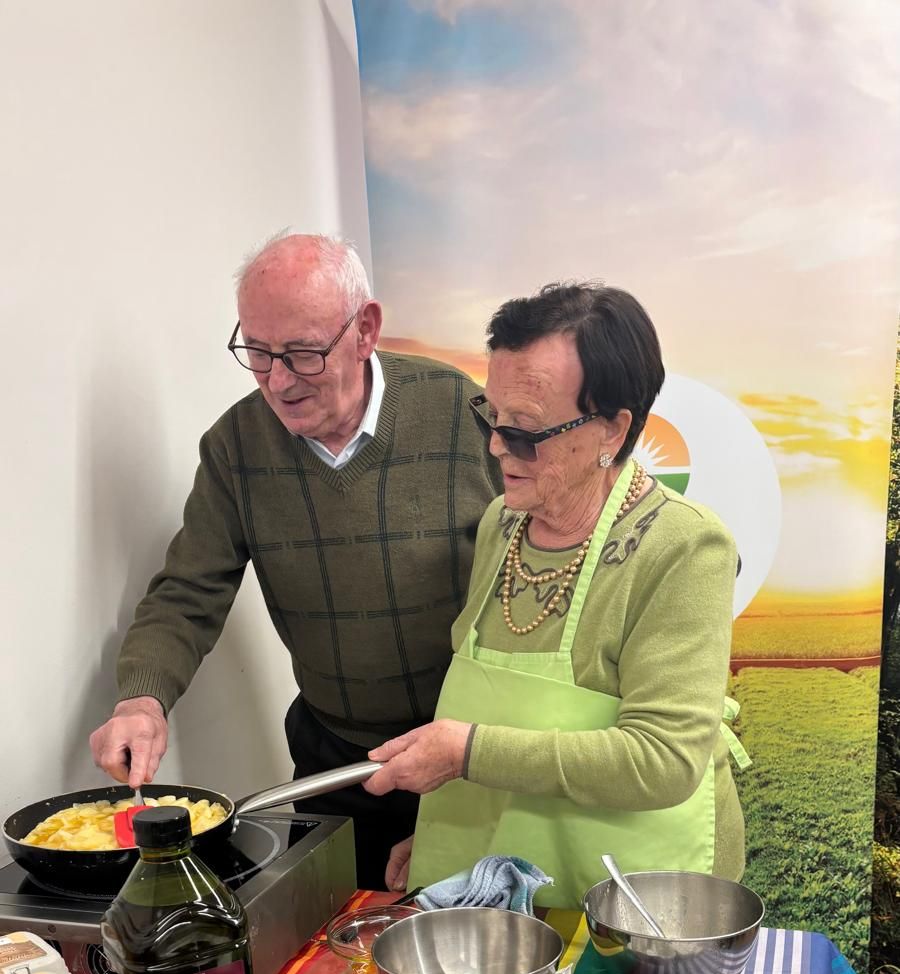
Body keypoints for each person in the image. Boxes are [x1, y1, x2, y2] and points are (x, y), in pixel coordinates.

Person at [89, 233, 501, 887]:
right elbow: (189, 592)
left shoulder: (461, 413)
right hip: (338, 762)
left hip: (468, 751)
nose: (277, 381)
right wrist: (141, 700)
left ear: (365, 330)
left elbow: (537, 579)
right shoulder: (236, 447)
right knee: (344, 957)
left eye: (303, 354)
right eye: (256, 352)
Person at [363, 281, 746, 909]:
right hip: (514, 880)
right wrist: (440, 834)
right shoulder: (502, 525)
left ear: (612, 431)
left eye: (525, 431)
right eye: (492, 418)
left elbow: (662, 759)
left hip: (637, 901)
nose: (496, 447)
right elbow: (508, 732)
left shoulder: (684, 547)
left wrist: (465, 752)